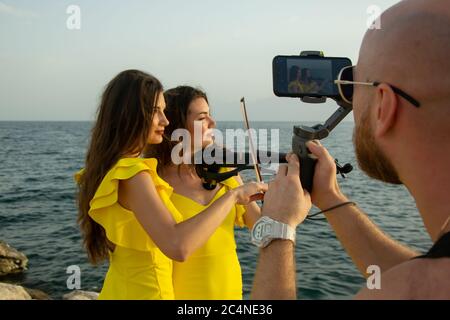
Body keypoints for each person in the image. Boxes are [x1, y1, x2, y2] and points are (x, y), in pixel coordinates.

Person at [251, 0, 450, 299]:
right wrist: (330, 198)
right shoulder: (423, 280)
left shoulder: (413, 288)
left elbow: (417, 282)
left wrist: (278, 227)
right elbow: (420, 270)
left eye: (354, 86)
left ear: (384, 105)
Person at [75, 70, 267, 300]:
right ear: (132, 114)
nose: (164, 121)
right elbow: (178, 245)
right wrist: (234, 196)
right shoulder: (137, 175)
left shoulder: (124, 171)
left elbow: (261, 229)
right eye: (156, 111)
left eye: (163, 111)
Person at [146, 86, 262, 299]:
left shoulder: (223, 170)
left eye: (210, 115)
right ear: (177, 125)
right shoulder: (152, 180)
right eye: (202, 117)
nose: (212, 123)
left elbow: (260, 228)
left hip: (229, 293)